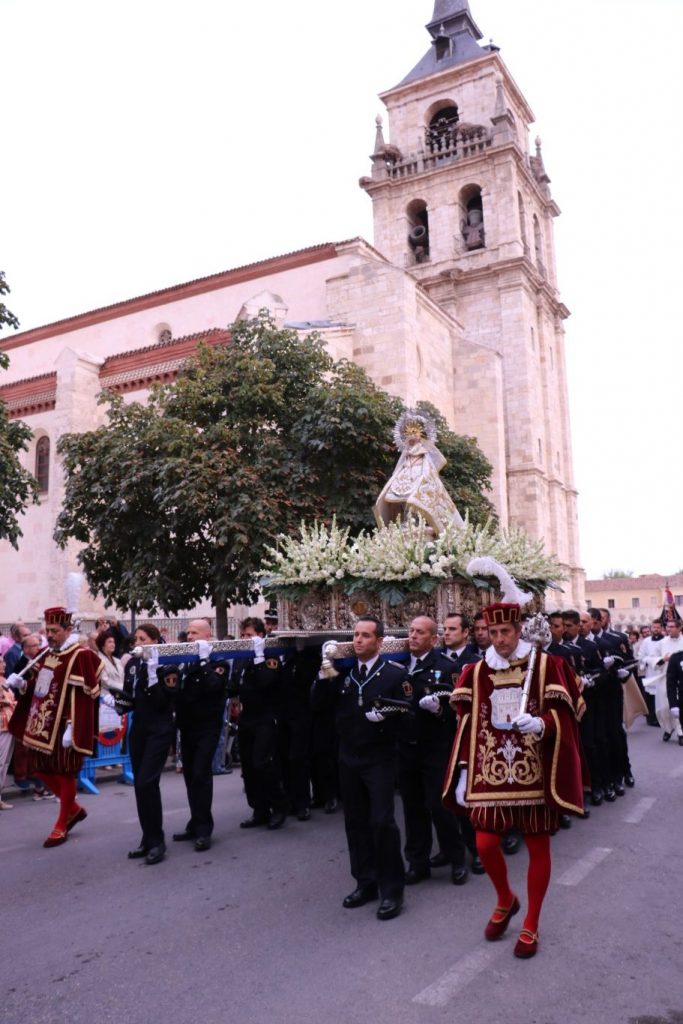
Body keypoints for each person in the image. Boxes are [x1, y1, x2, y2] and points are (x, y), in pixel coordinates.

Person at [444, 593, 584, 958]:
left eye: (505, 631)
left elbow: (567, 714)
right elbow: (466, 726)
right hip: (490, 775)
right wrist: (462, 773)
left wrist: (541, 722)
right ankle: (506, 898)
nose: (499, 639)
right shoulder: (476, 672)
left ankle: (532, 923)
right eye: (492, 632)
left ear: (519, 629)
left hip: (533, 772)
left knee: (539, 847)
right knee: (485, 844)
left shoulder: (546, 665)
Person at [312, 617, 406, 920]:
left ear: (379, 642)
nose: (358, 640)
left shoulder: (393, 673)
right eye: (355, 635)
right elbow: (319, 707)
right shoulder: (345, 676)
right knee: (355, 822)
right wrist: (323, 674)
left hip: (379, 758)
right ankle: (365, 881)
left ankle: (392, 889)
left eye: (365, 636)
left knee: (382, 822)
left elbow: (408, 712)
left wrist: (387, 717)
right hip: (349, 757)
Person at [7, 606, 101, 848]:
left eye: (55, 631)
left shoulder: (81, 655)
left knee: (64, 771)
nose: (49, 635)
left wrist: (74, 726)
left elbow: (86, 694)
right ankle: (74, 809)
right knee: (38, 769)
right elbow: (39, 685)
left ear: (68, 630)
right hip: (41, 724)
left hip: (64, 727)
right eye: (47, 630)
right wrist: (22, 684)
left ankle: (62, 823)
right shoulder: (47, 653)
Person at [398, 615, 474, 885]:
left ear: (434, 638)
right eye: (411, 631)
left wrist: (440, 709)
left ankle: (455, 857)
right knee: (412, 808)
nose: (413, 636)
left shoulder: (446, 666)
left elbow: (460, 708)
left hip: (435, 747)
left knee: (439, 806)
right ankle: (417, 862)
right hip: (407, 747)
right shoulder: (399, 666)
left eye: (420, 632)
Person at [173, 618, 231, 851]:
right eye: (188, 633)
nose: (189, 637)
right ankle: (195, 821)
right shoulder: (184, 661)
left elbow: (215, 686)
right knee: (190, 776)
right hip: (187, 726)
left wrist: (205, 661)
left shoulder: (216, 660)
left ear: (207, 636)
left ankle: (204, 829)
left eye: (194, 633)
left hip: (207, 727)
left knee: (201, 774)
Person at [122, 623, 176, 865]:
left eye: (143, 639)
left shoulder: (167, 664)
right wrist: (118, 702)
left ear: (155, 640)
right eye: (136, 639)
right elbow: (130, 697)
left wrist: (154, 674)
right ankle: (148, 837)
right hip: (140, 729)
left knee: (147, 782)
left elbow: (164, 701)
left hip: (160, 728)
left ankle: (157, 841)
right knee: (140, 786)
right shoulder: (133, 664)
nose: (137, 644)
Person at [232, 617, 288, 831]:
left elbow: (266, 681)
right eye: (244, 635)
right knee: (248, 767)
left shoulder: (269, 656)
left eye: (250, 635)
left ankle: (279, 805)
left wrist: (257, 657)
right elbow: (236, 683)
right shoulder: (242, 657)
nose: (246, 639)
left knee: (262, 762)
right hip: (247, 717)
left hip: (266, 716)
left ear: (261, 635)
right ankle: (259, 809)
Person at [374, 408, 463, 535]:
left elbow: (433, 465)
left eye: (413, 438)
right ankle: (406, 520)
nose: (411, 442)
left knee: (415, 500)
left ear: (419, 438)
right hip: (404, 479)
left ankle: (415, 520)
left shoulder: (423, 452)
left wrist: (425, 477)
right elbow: (400, 466)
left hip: (418, 478)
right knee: (402, 501)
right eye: (409, 439)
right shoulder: (406, 454)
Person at [0, 656, 17, 809]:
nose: (4, 664)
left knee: (4, 763)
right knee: (0, 762)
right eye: (0, 662)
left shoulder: (4, 680)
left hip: (9, 724)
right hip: (1, 725)